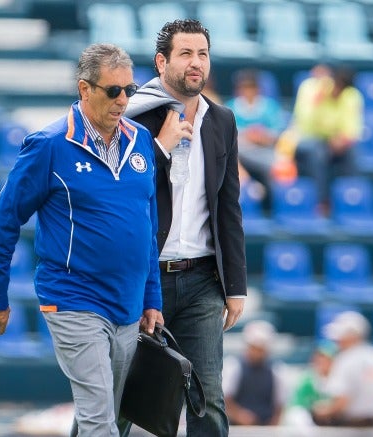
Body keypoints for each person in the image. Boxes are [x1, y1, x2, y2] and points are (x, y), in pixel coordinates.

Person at [0, 43, 163, 437]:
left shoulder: (141, 141)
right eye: (113, 91)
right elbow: (3, 221)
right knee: (101, 421)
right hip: (73, 299)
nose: (122, 100)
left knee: (105, 416)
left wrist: (152, 298)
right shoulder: (49, 145)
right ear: (85, 89)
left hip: (128, 304)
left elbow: (146, 228)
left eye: (129, 91)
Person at [124, 19, 247, 436]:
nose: (196, 63)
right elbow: (121, 192)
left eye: (203, 54)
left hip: (202, 280)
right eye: (186, 54)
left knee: (207, 398)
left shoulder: (222, 120)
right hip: (142, 275)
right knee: (122, 396)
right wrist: (160, 145)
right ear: (162, 62)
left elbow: (228, 207)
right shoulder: (133, 116)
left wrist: (236, 286)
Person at [286, 64, 363, 206]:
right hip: (308, 138)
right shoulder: (315, 90)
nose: (337, 91)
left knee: (352, 154)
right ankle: (321, 201)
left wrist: (342, 140)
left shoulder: (351, 97)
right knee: (318, 154)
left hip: (336, 142)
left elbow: (352, 130)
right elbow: (305, 125)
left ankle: (351, 200)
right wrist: (317, 102)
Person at [314, 311, 373, 427]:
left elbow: (342, 400)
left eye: (340, 336)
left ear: (352, 336)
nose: (337, 340)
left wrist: (324, 411)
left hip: (351, 425)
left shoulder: (346, 359)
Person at [225, 69, 288, 191]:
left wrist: (263, 137)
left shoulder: (270, 107)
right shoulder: (230, 108)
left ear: (257, 89)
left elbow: (278, 133)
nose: (248, 91)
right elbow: (226, 135)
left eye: (251, 87)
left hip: (266, 150)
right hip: (241, 151)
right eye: (244, 87)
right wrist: (246, 136)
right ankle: (249, 186)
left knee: (281, 165)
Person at [222, 320, 286, 426]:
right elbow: (225, 400)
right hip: (236, 428)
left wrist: (271, 429)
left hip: (265, 428)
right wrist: (240, 416)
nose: (257, 352)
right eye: (254, 347)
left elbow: (279, 406)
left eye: (261, 348)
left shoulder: (277, 370)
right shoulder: (233, 366)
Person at [285, 339, 337, 426]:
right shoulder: (307, 379)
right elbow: (299, 404)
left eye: (325, 358)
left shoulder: (338, 378)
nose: (321, 361)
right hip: (308, 417)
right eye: (319, 357)